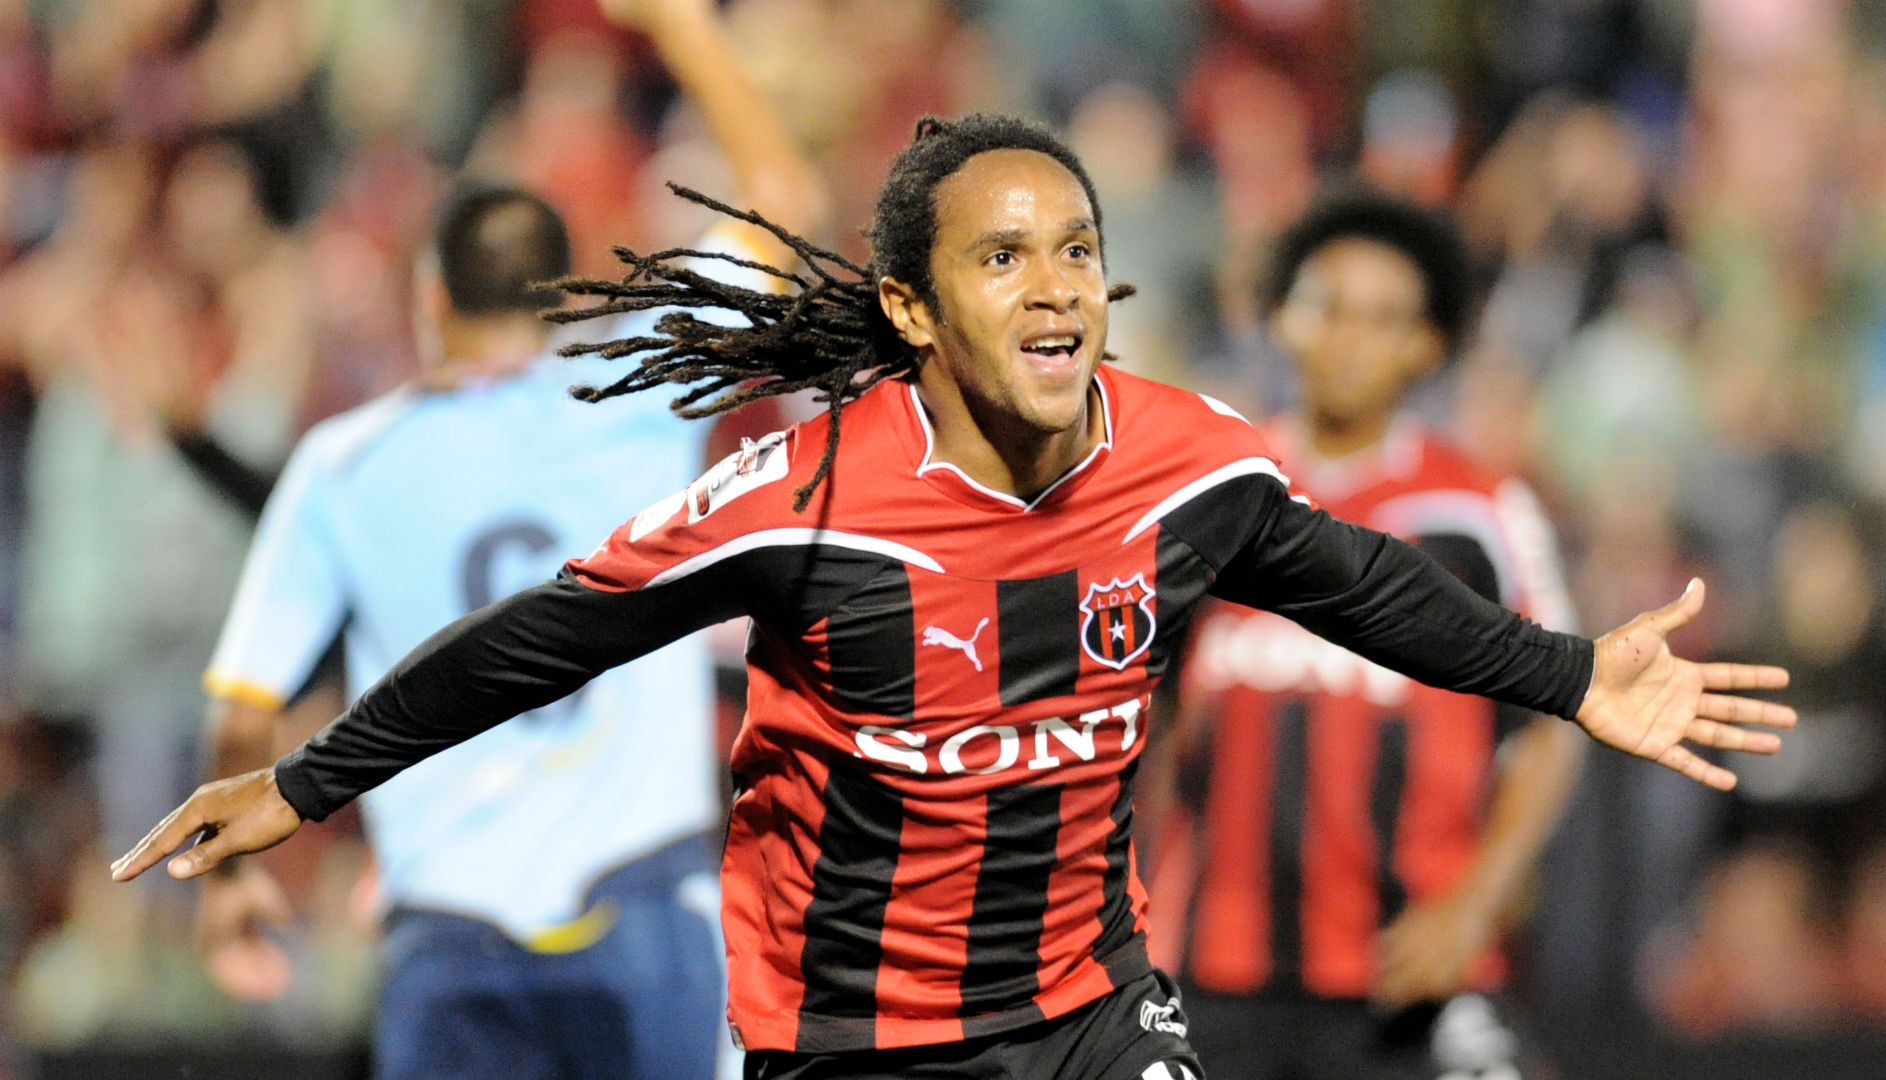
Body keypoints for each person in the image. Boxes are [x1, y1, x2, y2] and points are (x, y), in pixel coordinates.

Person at [114, 112, 1794, 1080]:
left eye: (1078, 249)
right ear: (915, 311)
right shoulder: (804, 499)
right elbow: (541, 636)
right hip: (854, 1037)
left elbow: (1366, 587)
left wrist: (1575, 676)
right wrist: (305, 783)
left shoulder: (1188, 463)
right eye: (1003, 257)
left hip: (1087, 1009)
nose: (1057, 288)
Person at [183, 2, 823, 1076]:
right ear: (566, 298)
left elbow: (243, 709)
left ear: (430, 298)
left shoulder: (343, 464)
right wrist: (682, 29)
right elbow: (784, 210)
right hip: (642, 903)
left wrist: (229, 880)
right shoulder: (632, 392)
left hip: (450, 928)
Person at [1144, 187, 1584, 1079]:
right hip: (1209, 970)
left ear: (1427, 345)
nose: (1349, 338)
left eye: (1383, 318)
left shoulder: (1479, 515)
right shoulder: (1207, 495)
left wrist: (1475, 905)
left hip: (1411, 973)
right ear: (1281, 320)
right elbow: (1137, 711)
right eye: (1328, 307)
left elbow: (1552, 726)